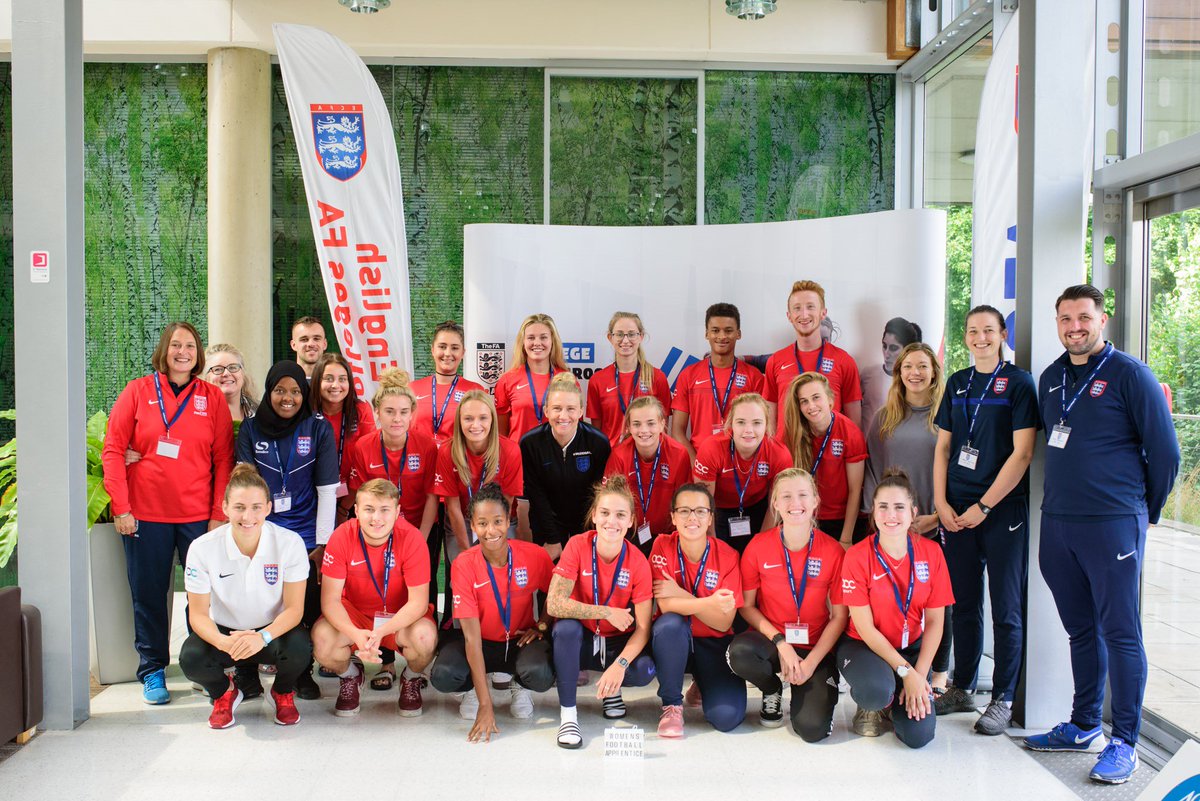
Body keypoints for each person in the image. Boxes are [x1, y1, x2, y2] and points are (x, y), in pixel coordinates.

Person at [1024, 284, 1180, 785]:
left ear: (1102, 319)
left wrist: (1146, 510)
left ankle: (1126, 741)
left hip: (1113, 523)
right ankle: (1084, 724)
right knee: (1081, 630)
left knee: (1121, 632)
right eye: (1066, 318)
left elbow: (1166, 453)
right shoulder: (1051, 378)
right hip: (1059, 524)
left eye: (1083, 318)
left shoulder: (1131, 375)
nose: (1075, 327)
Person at [102, 321, 234, 705]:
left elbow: (223, 459)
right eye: (176, 345)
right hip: (145, 516)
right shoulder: (137, 391)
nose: (182, 352)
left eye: (190, 346)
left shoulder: (210, 396)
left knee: (204, 596)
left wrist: (217, 514)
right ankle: (153, 670)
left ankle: (203, 666)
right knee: (148, 595)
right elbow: (113, 450)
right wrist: (122, 508)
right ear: (164, 349)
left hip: (197, 517)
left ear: (198, 354)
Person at [932, 305, 1036, 734]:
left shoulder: (1019, 383)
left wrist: (985, 506)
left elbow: (1023, 454)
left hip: (1001, 511)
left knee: (1006, 607)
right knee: (963, 604)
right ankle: (963, 686)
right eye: (973, 330)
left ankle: (1004, 697)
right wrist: (941, 502)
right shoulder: (957, 382)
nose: (980, 338)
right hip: (956, 511)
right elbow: (943, 448)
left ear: (1002, 334)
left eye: (989, 330)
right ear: (965, 336)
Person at [236, 360, 339, 700]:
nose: (288, 398)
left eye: (295, 391)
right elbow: (246, 486)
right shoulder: (251, 429)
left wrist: (323, 544)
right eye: (280, 390)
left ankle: (300, 671)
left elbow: (327, 490)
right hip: (261, 530)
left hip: (305, 536)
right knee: (255, 600)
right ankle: (246, 669)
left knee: (305, 606)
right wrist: (249, 536)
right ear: (269, 392)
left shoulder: (318, 428)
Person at [179, 464, 312, 728]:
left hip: (272, 633)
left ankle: (282, 692)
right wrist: (222, 641)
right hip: (226, 633)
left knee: (300, 648)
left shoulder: (290, 543)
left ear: (268, 508)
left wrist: (262, 637)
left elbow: (295, 609)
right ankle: (224, 693)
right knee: (191, 659)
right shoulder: (202, 548)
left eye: (256, 507)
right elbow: (198, 614)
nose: (247, 516)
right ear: (225, 507)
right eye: (239, 507)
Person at [837, 468, 954, 748]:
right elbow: (865, 628)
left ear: (913, 513)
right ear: (873, 512)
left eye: (900, 507)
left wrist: (919, 675)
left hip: (911, 648)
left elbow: (936, 622)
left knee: (918, 736)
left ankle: (893, 701)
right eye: (883, 507)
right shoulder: (857, 556)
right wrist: (906, 673)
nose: (891, 515)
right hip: (864, 647)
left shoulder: (932, 553)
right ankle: (875, 702)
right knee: (875, 691)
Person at [430, 483, 556, 741]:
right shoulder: (464, 564)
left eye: (498, 521)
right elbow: (471, 639)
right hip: (481, 642)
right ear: (473, 526)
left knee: (541, 674)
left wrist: (542, 625)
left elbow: (556, 594)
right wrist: (485, 704)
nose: (491, 531)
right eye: (482, 523)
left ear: (508, 520)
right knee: (443, 675)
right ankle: (473, 690)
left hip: (519, 641)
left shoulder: (534, 555)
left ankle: (520, 685)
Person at [726, 469, 845, 740]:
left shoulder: (834, 551)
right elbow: (746, 606)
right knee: (739, 653)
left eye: (803, 495)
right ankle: (772, 689)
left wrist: (811, 663)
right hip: (772, 640)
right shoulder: (758, 546)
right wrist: (781, 642)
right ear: (775, 504)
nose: (795, 503)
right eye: (786, 496)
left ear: (815, 501)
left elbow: (839, 616)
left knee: (812, 730)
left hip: (814, 646)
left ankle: (808, 687)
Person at [344, 368, 438, 688]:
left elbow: (431, 496)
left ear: (413, 413)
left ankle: (416, 665)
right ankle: (385, 663)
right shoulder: (363, 446)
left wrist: (420, 539)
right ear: (377, 413)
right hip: (376, 531)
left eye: (403, 412)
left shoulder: (427, 445)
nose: (397, 419)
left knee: (418, 594)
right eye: (389, 412)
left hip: (420, 530)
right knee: (381, 590)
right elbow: (359, 498)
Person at [546, 476, 656, 749]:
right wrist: (606, 611)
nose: (611, 521)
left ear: (631, 521)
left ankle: (612, 689)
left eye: (620, 515)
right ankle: (568, 715)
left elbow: (643, 629)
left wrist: (619, 666)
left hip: (617, 641)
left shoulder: (638, 561)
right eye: (605, 513)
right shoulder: (577, 545)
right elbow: (554, 604)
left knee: (644, 670)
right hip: (584, 638)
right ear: (594, 515)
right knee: (565, 628)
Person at [313, 479, 438, 717]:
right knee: (322, 640)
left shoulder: (412, 538)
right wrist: (355, 633)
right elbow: (330, 601)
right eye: (369, 509)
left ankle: (411, 679)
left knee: (425, 638)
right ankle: (350, 676)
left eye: (384, 510)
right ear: (356, 510)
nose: (376, 518)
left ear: (397, 512)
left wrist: (381, 632)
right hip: (355, 614)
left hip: (399, 617)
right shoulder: (341, 536)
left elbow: (418, 603)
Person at [864, 342, 949, 692]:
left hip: (933, 521)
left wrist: (937, 517)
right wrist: (882, 519)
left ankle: (938, 673)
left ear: (934, 372)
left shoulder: (947, 414)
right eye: (908, 366)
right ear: (898, 373)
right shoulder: (885, 417)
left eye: (922, 366)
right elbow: (872, 468)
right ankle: (894, 669)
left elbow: (955, 471)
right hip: (892, 525)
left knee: (938, 603)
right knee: (893, 598)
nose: (915, 373)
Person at [649, 483, 745, 738]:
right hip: (673, 641)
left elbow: (724, 623)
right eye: (684, 510)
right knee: (670, 624)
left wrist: (681, 595)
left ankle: (702, 683)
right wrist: (710, 602)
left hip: (713, 642)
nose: (692, 517)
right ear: (673, 517)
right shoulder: (662, 546)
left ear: (711, 518)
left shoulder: (728, 556)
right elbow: (666, 605)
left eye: (701, 511)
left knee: (727, 717)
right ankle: (672, 705)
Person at [521, 373, 611, 561]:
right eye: (557, 408)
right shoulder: (530, 444)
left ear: (581, 411)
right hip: (546, 524)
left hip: (586, 524)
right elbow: (536, 495)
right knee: (549, 577)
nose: (563, 416)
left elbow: (597, 495)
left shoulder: (598, 443)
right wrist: (553, 539)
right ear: (546, 411)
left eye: (571, 409)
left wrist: (584, 537)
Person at [692, 393, 792, 553]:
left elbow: (775, 506)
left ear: (766, 425)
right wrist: (712, 546)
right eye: (741, 422)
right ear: (731, 423)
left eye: (757, 423)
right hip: (717, 511)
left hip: (758, 509)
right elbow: (703, 504)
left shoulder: (779, 454)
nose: (748, 430)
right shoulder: (712, 449)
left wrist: (761, 544)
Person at [434, 390, 524, 566]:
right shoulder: (447, 451)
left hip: (499, 518)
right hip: (463, 520)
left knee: (501, 568)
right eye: (468, 418)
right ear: (459, 422)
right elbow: (453, 507)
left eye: (483, 418)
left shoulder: (510, 450)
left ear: (492, 420)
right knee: (464, 567)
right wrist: (467, 553)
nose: (476, 425)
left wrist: (493, 537)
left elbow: (507, 502)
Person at [671, 302, 766, 462]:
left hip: (741, 464)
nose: (722, 336)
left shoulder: (754, 377)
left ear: (738, 334)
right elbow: (677, 432)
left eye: (728, 330)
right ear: (707, 334)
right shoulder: (688, 375)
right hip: (700, 461)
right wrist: (697, 465)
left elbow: (764, 428)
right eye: (715, 330)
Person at [764, 280, 863, 432]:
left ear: (823, 313)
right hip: (787, 447)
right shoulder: (775, 361)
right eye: (797, 308)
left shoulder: (844, 361)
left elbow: (854, 426)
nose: (804, 314)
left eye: (810, 307)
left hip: (828, 446)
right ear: (789, 316)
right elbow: (770, 421)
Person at [782, 372, 867, 547]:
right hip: (807, 517)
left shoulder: (850, 433)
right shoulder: (793, 433)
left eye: (816, 397)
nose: (811, 406)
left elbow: (855, 490)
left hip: (843, 520)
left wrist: (846, 538)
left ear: (830, 400)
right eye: (804, 401)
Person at [603, 396, 692, 555]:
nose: (644, 430)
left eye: (651, 423)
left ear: (662, 424)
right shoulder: (619, 455)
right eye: (637, 424)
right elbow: (610, 503)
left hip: (668, 535)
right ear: (629, 427)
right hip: (629, 533)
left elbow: (684, 503)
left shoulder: (679, 454)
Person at [586, 311, 672, 446]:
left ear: (641, 336)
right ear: (610, 337)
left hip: (647, 454)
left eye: (631, 334)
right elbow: (597, 432)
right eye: (619, 334)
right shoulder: (597, 380)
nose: (625, 340)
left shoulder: (657, 377)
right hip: (611, 455)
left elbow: (663, 428)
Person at [311, 353, 377, 519]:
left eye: (342, 379)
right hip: (311, 498)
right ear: (317, 381)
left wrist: (344, 508)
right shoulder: (306, 412)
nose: (336, 385)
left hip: (351, 498)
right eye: (329, 378)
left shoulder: (361, 411)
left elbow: (368, 461)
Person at [409, 320, 485, 449]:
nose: (448, 353)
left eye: (454, 348)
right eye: (442, 347)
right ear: (433, 350)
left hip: (456, 459)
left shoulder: (475, 390)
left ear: (462, 353)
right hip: (419, 458)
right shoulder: (412, 389)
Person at [494, 313, 569, 442]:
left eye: (543, 337)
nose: (537, 343)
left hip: (555, 453)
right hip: (518, 453)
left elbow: (575, 427)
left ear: (552, 341)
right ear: (523, 342)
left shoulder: (567, 380)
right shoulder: (507, 381)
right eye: (531, 338)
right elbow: (501, 435)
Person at [860, 317, 922, 434]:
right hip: (866, 444)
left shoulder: (915, 384)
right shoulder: (868, 375)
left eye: (893, 348)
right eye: (884, 346)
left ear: (907, 350)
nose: (886, 353)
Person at [204, 343, 258, 435]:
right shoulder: (197, 416)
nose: (226, 373)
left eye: (233, 367)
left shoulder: (260, 412)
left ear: (243, 374)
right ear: (206, 378)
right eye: (217, 369)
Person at [290, 316, 328, 380]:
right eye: (304, 339)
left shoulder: (335, 384)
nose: (311, 344)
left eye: (316, 339)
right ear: (293, 345)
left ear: (324, 344)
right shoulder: (284, 382)